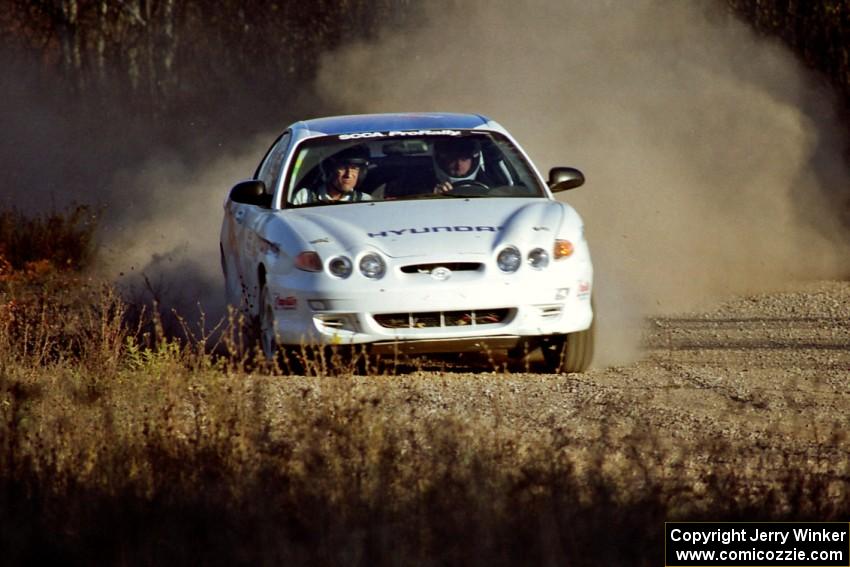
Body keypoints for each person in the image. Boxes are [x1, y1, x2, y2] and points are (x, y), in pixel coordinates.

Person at [291, 145, 372, 205]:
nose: (348, 175)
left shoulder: (365, 201)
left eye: (354, 168)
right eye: (343, 168)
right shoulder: (304, 197)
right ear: (329, 169)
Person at [431, 137, 496, 194]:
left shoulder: (492, 184)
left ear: (473, 161)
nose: (458, 165)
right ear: (442, 161)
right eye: (452, 159)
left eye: (464, 159)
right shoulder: (425, 189)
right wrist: (435, 197)